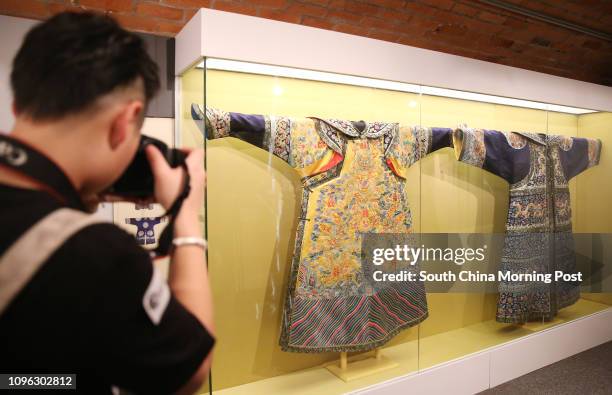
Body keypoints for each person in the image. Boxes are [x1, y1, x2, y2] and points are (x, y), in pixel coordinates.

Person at [0, 12, 214, 394]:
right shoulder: (94, 252)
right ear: (125, 122)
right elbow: (189, 371)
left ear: (18, 105)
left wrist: (78, 198)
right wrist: (185, 217)